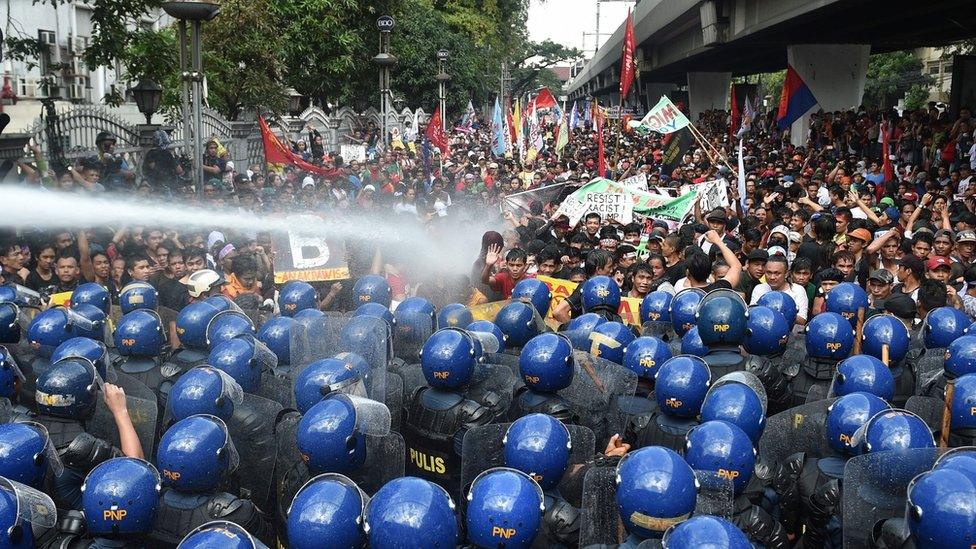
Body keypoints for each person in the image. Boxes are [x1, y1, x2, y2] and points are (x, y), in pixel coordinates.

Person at [750, 256, 810, 326]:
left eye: (777, 273)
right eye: (769, 272)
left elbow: (802, 320)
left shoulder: (798, 290)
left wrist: (783, 313)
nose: (772, 277)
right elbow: (752, 314)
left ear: (786, 274)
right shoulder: (759, 289)